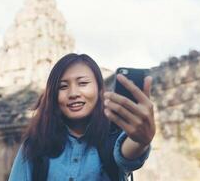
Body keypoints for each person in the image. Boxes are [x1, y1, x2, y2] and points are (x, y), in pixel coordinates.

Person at [8, 53, 155, 181]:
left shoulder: (113, 135)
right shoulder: (34, 144)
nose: (73, 93)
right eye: (63, 86)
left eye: (83, 83)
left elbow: (128, 154)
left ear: (99, 89)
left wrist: (141, 140)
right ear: (53, 95)